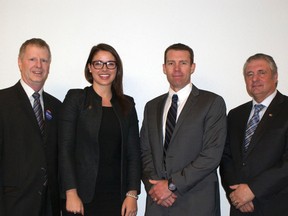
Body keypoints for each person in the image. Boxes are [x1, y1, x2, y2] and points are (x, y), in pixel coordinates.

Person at [140, 43, 227, 216]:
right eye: (171, 63)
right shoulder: (152, 106)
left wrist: (172, 185)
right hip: (158, 204)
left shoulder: (211, 103)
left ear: (192, 67)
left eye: (183, 63)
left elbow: (211, 155)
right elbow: (145, 152)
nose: (177, 68)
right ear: (164, 68)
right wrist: (155, 187)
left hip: (196, 203)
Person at [59, 43, 141, 216]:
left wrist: (132, 193)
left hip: (117, 197)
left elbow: (133, 153)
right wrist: (70, 192)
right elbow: (65, 149)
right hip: (81, 197)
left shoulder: (127, 104)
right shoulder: (76, 99)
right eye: (98, 63)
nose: (104, 68)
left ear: (117, 68)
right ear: (89, 68)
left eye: (111, 63)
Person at [220, 53, 288, 215]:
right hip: (240, 207)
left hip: (277, 205)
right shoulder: (236, 114)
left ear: (275, 76)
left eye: (261, 73)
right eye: (249, 74)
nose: (255, 79)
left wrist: (253, 190)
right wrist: (235, 194)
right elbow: (225, 158)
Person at [0, 38, 62, 215]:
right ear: (20, 63)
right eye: (32, 59)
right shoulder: (2, 102)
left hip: (50, 205)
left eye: (44, 60)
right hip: (13, 205)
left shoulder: (57, 106)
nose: (39, 66)